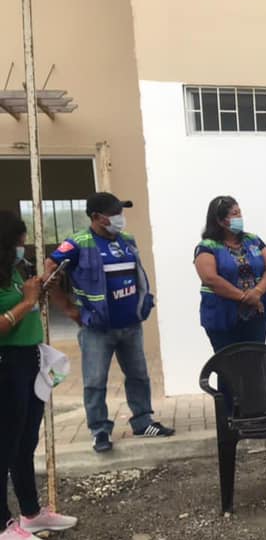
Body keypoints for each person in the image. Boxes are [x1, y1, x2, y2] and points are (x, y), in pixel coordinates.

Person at [44, 192, 174, 453]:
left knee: (139, 376)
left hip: (130, 324)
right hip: (97, 329)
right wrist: (68, 309)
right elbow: (50, 268)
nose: (120, 217)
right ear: (97, 217)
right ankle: (99, 430)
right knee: (95, 381)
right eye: (114, 213)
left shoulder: (127, 240)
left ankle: (143, 422)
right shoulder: (78, 243)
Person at [0, 213, 77, 540]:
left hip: (28, 358)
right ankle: (2, 526)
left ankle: (31, 513)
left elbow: (26, 307)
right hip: (6, 364)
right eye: (19, 242)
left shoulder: (14, 272)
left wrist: (40, 292)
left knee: (25, 440)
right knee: (5, 444)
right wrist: (28, 301)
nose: (24, 247)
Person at [194, 195, 266, 352]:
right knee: (229, 362)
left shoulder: (253, 240)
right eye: (234, 214)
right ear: (220, 221)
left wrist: (257, 292)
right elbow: (210, 278)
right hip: (222, 316)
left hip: (257, 312)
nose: (240, 217)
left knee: (255, 358)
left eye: (240, 213)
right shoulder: (207, 247)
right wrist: (244, 297)